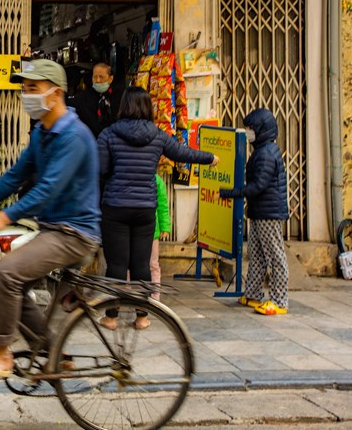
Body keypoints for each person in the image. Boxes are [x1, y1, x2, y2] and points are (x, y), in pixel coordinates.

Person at [0, 59, 101, 384]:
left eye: (33, 89)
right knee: (11, 283)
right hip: (52, 229)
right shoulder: (42, 132)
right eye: (24, 89)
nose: (27, 95)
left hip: (75, 233)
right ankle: (53, 353)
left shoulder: (74, 136)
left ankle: (0, 355)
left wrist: (4, 217)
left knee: (6, 273)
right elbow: (16, 175)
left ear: (56, 94)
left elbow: (49, 188)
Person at [97, 86, 216, 330]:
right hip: (145, 208)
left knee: (116, 265)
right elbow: (183, 153)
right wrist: (209, 158)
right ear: (148, 107)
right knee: (141, 265)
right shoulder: (158, 135)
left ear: (123, 107)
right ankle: (142, 317)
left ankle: (111, 317)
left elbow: (100, 170)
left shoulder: (109, 134)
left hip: (115, 207)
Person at [219, 108, 290, 316]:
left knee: (275, 256)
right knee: (257, 255)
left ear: (261, 129)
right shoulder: (262, 150)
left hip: (269, 213)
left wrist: (231, 193)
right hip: (259, 211)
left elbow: (258, 186)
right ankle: (252, 294)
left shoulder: (267, 153)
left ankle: (279, 300)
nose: (248, 132)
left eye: (251, 128)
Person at [69, 63, 121, 139]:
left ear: (110, 79)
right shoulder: (82, 98)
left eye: (101, 77)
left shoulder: (119, 97)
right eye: (95, 77)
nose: (98, 80)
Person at [151, 173, 171, 301]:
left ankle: (155, 297)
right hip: (147, 230)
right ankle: (131, 295)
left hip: (153, 232)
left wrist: (165, 227)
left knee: (153, 264)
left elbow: (162, 205)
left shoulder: (157, 180)